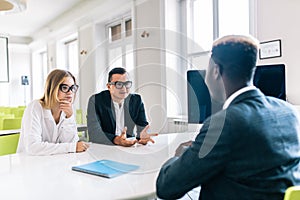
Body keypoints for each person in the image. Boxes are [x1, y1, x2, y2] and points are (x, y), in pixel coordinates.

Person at [156, 35, 300, 199]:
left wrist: (180, 155)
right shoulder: (288, 113)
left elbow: (166, 186)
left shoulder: (224, 124)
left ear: (216, 71)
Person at [17, 69, 89, 155]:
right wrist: (72, 147)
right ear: (53, 88)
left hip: (54, 162)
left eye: (72, 88)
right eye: (65, 88)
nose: (70, 92)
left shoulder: (68, 109)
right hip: (30, 163)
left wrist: (69, 117)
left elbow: (71, 143)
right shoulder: (35, 107)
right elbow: (33, 147)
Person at [87, 67, 157, 147]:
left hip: (128, 146)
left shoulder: (136, 100)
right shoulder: (96, 100)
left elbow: (143, 128)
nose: (124, 88)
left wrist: (143, 137)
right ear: (109, 86)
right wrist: (117, 140)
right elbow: (94, 134)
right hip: (103, 147)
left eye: (127, 84)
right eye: (119, 84)